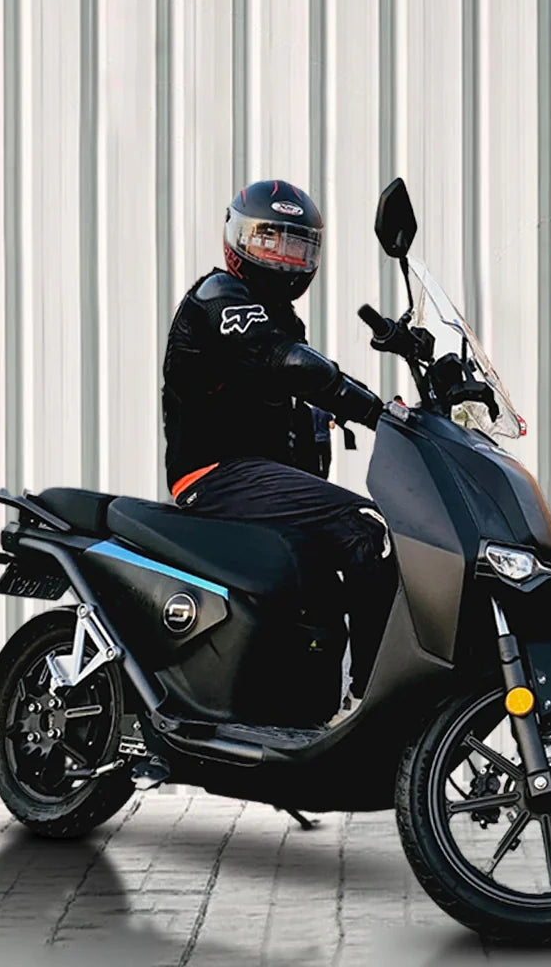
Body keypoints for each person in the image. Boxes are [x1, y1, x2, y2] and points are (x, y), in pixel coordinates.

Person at [161, 179, 397, 713]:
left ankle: (315, 707)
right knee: (367, 530)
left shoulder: (280, 320)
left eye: (296, 245)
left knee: (333, 576)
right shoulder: (219, 299)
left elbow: (300, 375)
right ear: (237, 238)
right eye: (269, 240)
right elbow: (287, 362)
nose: (282, 256)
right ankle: (370, 702)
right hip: (217, 476)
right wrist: (372, 408)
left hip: (260, 481)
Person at [310, 405, 336, 479]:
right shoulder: (327, 412)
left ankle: (316, 476)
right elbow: (332, 426)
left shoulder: (311, 411)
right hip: (324, 440)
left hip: (314, 439)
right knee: (326, 460)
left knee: (316, 460)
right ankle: (325, 477)